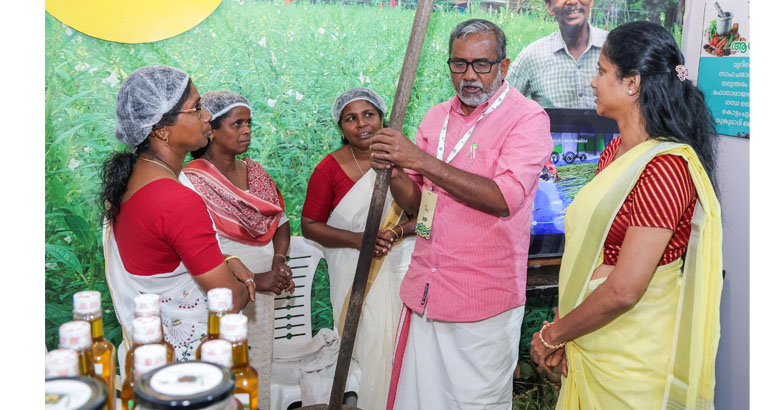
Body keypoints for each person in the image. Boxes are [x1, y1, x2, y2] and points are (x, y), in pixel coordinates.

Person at [528, 21, 722, 409]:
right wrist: (567, 326)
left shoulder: (665, 169)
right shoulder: (614, 152)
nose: (593, 82)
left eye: (602, 71)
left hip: (631, 362)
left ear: (632, 83)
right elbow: (593, 251)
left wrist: (554, 335)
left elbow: (625, 289)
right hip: (591, 340)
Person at [370, 19, 553, 409]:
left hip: (482, 302)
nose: (469, 75)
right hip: (426, 292)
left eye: (481, 64)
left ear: (503, 66)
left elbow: (503, 198)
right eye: (459, 64)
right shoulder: (436, 117)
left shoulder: (527, 119)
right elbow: (418, 206)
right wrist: (395, 170)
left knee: (474, 403)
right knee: (420, 400)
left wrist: (420, 160)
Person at [101, 66, 255, 362]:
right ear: (161, 128)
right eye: (196, 108)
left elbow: (163, 254)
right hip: (191, 367)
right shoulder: (175, 200)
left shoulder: (134, 180)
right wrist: (244, 284)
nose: (207, 116)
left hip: (153, 358)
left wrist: (225, 259)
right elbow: (228, 300)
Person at [300, 87, 416, 410]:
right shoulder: (328, 169)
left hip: (402, 269)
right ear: (341, 128)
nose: (361, 123)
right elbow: (309, 225)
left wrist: (394, 231)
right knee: (369, 345)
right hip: (354, 273)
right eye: (350, 118)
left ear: (382, 118)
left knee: (404, 349)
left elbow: (423, 217)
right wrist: (359, 240)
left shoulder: (405, 159)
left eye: (368, 115)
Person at [182, 90, 295, 410]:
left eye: (249, 123)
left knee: (257, 366)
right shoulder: (192, 180)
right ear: (211, 130)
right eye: (237, 124)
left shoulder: (255, 172)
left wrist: (278, 261)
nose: (246, 130)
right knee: (225, 366)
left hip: (263, 293)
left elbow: (280, 222)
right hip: (221, 293)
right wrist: (255, 279)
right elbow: (194, 249)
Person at [507, 0, 608, 108]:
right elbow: (503, 105)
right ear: (549, 7)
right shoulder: (532, 56)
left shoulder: (615, 47)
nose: (572, 1)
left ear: (591, 1)